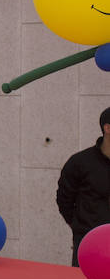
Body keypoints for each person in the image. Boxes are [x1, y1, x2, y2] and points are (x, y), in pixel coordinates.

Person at [56, 106, 110, 266]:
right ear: (107, 128)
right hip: (89, 242)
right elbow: (64, 199)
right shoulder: (80, 162)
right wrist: (80, 226)